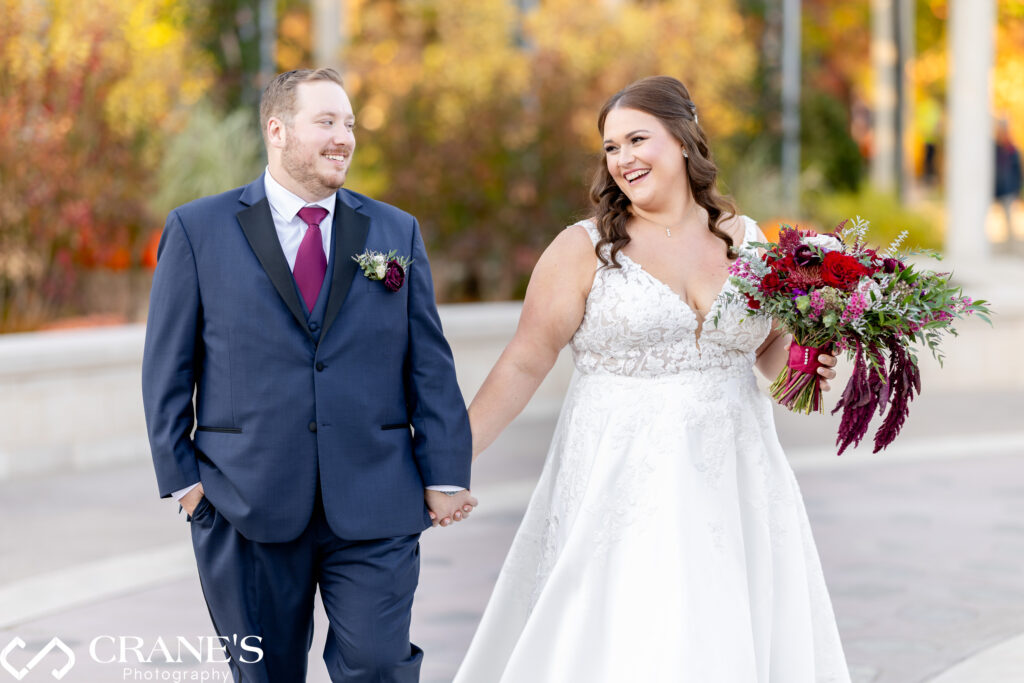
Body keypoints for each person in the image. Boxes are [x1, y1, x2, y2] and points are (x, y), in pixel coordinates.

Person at [453, 76, 851, 682]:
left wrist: (805, 356)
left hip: (736, 475)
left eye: (637, 139)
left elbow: (762, 352)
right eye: (611, 148)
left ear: (685, 140)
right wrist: (448, 462)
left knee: (725, 632)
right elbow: (525, 359)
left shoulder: (748, 243)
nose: (622, 159)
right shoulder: (583, 248)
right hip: (622, 478)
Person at [141, 68, 476, 682]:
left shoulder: (394, 231)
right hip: (245, 500)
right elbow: (167, 366)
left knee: (378, 664)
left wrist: (447, 470)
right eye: (326, 122)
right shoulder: (198, 229)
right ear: (277, 129)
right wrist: (185, 485)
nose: (343, 137)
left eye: (348, 124)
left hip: (376, 495)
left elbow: (429, 360)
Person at [996, 119, 1022, 249]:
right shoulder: (995, 148)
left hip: (1008, 189)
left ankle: (1010, 245)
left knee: (1008, 218)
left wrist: (1017, 189)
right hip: (995, 189)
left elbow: (1017, 172)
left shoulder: (1012, 149)